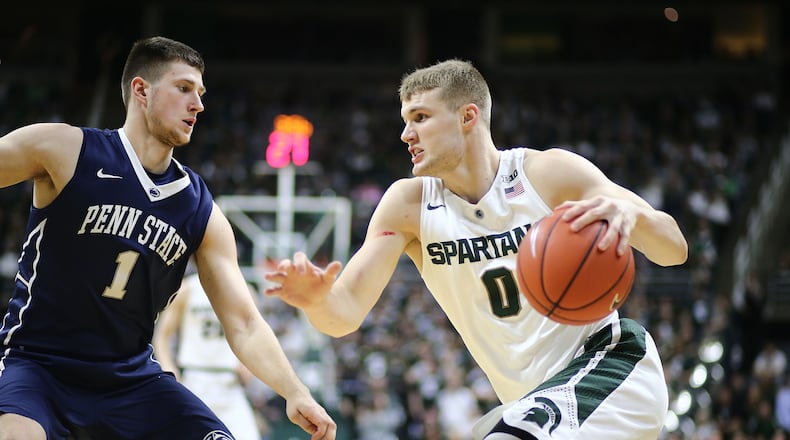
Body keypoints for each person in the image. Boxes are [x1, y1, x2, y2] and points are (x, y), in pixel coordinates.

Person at [264, 59, 688, 439]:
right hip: (536, 401)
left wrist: (636, 218)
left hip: (612, 366)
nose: (405, 134)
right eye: (405, 120)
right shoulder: (408, 206)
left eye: (420, 117)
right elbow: (344, 315)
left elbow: (674, 249)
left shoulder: (549, 174)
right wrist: (316, 300)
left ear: (468, 116)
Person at [0, 36, 336, 440]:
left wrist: (294, 391)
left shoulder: (199, 209)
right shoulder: (65, 149)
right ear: (141, 90)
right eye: (183, 88)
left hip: (129, 380)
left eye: (201, 93)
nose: (198, 104)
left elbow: (244, 322)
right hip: (38, 367)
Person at [152, 272, 264, 440]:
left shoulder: (244, 290)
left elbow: (255, 333)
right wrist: (170, 370)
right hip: (194, 379)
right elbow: (162, 336)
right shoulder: (187, 289)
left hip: (230, 382)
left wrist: (248, 364)